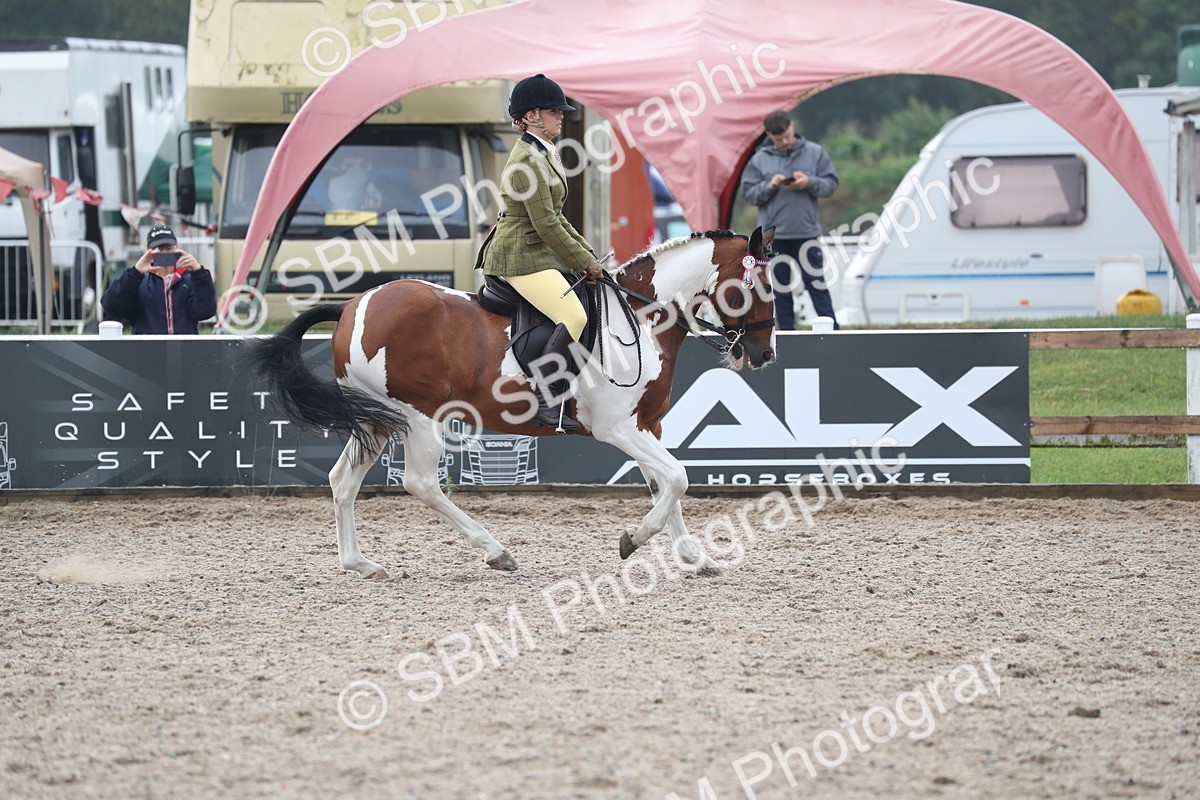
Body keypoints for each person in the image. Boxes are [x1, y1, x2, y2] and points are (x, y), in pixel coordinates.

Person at [475, 74, 604, 432]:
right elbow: (546, 224)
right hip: (518, 257)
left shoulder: (544, 152)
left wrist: (589, 254)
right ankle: (546, 401)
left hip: (538, 253)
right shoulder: (525, 163)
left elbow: (557, 218)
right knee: (574, 317)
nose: (561, 116)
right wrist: (583, 261)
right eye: (553, 111)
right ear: (531, 116)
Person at [741, 110, 840, 330]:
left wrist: (809, 183)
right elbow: (748, 194)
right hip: (773, 239)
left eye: (786, 135)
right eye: (778, 139)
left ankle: (833, 332)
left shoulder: (815, 153)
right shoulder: (758, 160)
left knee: (817, 285)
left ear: (792, 126)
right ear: (768, 135)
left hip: (807, 234)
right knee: (779, 289)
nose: (784, 141)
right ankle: (786, 335)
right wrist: (769, 186)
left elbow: (831, 185)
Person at [101, 225, 216, 334]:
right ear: (148, 250)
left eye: (168, 247)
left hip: (184, 349)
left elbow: (205, 312)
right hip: (149, 350)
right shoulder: (138, 281)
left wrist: (199, 273)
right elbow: (111, 306)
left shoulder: (189, 279)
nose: (164, 252)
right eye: (158, 248)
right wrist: (135, 272)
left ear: (177, 247)